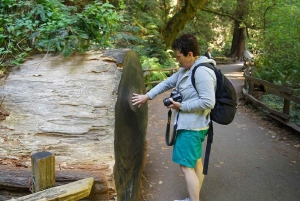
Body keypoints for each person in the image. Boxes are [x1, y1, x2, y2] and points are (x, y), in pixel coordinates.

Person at [132, 34, 216, 201]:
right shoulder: (187, 69)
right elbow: (167, 83)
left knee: (186, 167)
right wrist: (147, 96)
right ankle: (194, 197)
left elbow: (208, 102)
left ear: (190, 54)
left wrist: (181, 106)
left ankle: (193, 200)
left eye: (179, 56)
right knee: (196, 161)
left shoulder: (202, 72)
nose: (177, 60)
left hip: (192, 127)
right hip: (194, 125)